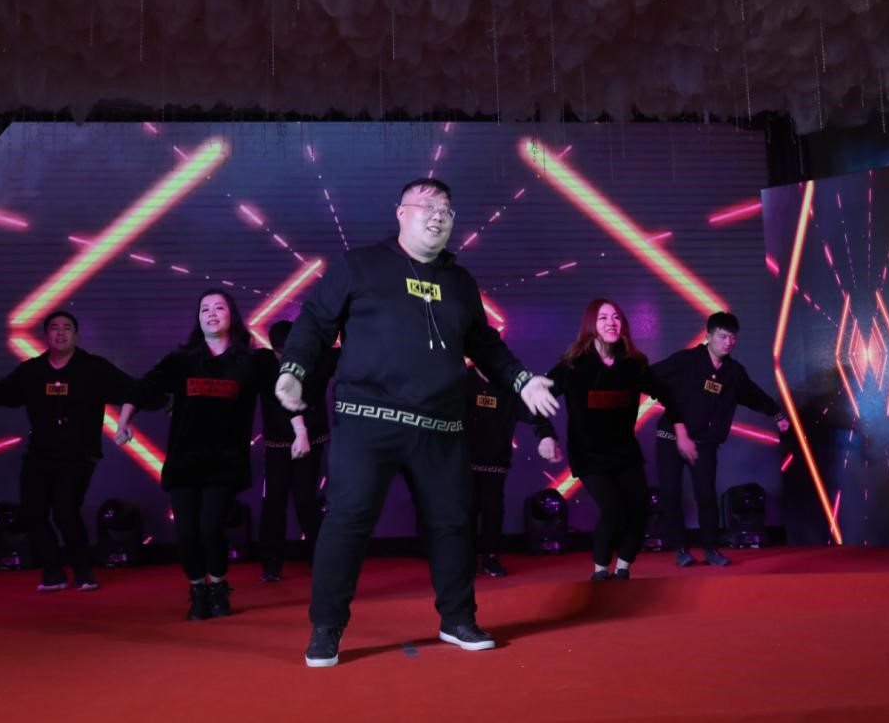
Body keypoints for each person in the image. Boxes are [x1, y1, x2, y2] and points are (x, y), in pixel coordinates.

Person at [274, 177, 558, 667]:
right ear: (401, 213)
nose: (438, 215)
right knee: (347, 521)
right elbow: (315, 322)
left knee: (453, 523)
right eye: (426, 206)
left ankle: (457, 619)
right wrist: (293, 371)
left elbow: (484, 344)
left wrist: (521, 381)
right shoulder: (359, 265)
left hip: (441, 427)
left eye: (446, 209)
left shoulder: (460, 282)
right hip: (368, 420)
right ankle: (327, 627)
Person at [0, 311, 139, 592]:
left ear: (76, 335)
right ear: (46, 335)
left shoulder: (93, 368)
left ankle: (84, 571)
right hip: (40, 455)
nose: (60, 333)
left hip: (79, 455)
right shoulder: (32, 371)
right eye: (54, 328)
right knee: (32, 512)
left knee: (65, 512)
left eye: (67, 328)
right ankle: (53, 573)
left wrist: (125, 422)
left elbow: (133, 390)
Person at [115, 289, 266, 620]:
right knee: (186, 533)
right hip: (185, 460)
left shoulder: (249, 362)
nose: (211, 313)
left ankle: (218, 587)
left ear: (231, 315)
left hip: (225, 461)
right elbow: (143, 387)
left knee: (210, 528)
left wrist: (299, 429)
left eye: (219, 308)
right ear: (198, 319)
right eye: (204, 309)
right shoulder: (181, 361)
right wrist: (124, 422)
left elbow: (279, 395)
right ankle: (197, 589)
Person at [543, 298, 682, 581]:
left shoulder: (633, 365)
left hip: (624, 452)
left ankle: (622, 569)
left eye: (616, 317)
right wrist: (545, 435)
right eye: (603, 317)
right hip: (588, 454)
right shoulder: (573, 365)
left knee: (640, 509)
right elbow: (537, 399)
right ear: (591, 325)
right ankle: (600, 571)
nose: (611, 323)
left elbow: (668, 394)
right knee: (613, 508)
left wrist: (680, 429)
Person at [650, 311, 789, 567]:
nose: (728, 342)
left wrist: (776, 413)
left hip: (704, 443)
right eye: (723, 336)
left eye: (733, 338)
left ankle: (711, 549)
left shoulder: (733, 372)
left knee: (706, 496)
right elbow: (651, 377)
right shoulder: (686, 360)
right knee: (670, 494)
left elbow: (753, 395)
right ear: (708, 336)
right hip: (671, 438)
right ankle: (681, 549)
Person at [256, 319, 338, 583]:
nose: (283, 358)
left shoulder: (319, 360)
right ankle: (271, 562)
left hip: (312, 439)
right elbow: (280, 398)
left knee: (306, 499)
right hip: (278, 442)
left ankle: (320, 559)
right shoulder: (264, 363)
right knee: (275, 501)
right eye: (278, 353)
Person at [464, 363, 560, 577]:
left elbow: (534, 413)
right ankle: (465, 559)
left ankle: (490, 557)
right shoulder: (462, 379)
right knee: (465, 510)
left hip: (495, 462)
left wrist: (546, 436)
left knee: (493, 511)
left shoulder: (509, 385)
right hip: (463, 462)